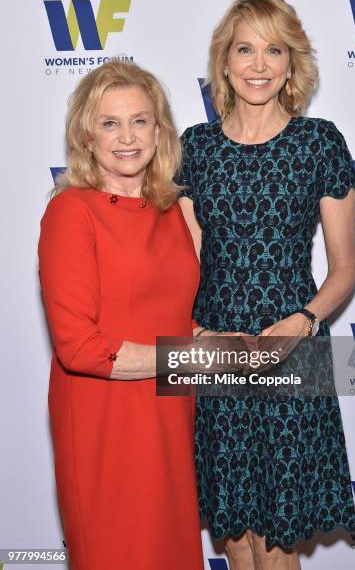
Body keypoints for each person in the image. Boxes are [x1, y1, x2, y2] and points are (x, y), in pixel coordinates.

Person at [179, 0, 355, 570]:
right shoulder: (195, 149)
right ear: (224, 62)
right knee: (234, 529)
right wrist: (196, 332)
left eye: (273, 50)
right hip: (214, 347)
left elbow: (344, 270)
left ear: (291, 62)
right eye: (245, 50)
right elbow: (185, 262)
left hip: (292, 343)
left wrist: (303, 323)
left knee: (278, 540)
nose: (258, 65)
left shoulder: (319, 143)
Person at [38, 60, 204, 570]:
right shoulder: (72, 213)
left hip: (172, 420)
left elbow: (173, 314)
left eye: (140, 120)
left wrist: (222, 344)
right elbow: (80, 347)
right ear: (87, 136)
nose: (126, 136)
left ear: (160, 131)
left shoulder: (174, 210)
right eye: (110, 123)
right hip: (104, 424)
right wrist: (190, 356)